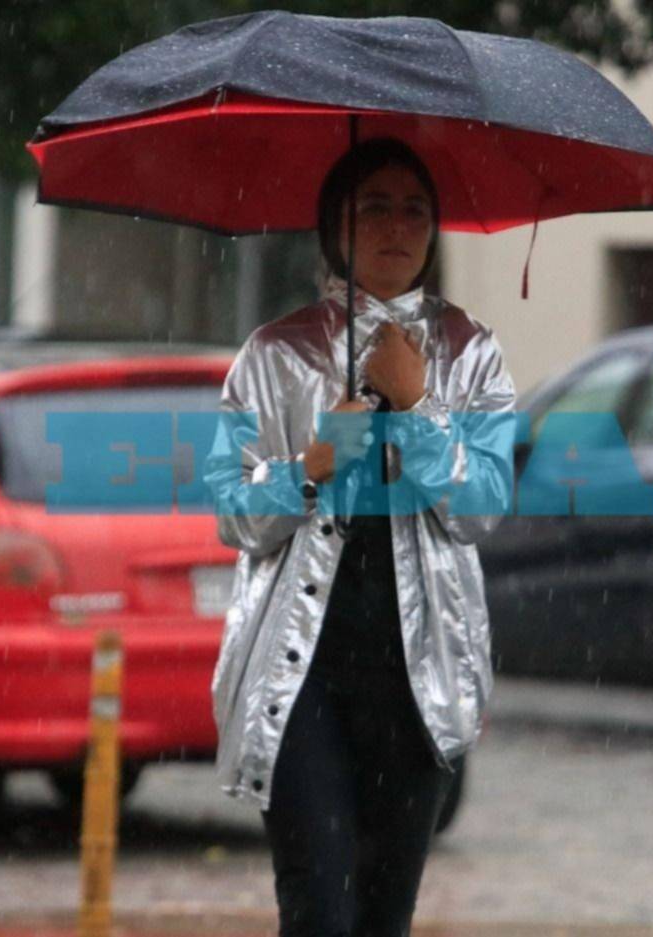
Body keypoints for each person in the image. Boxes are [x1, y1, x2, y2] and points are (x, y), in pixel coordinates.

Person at [206, 137, 517, 937]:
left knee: (385, 914)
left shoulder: (472, 353)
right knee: (318, 907)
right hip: (301, 673)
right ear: (333, 224)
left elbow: (481, 506)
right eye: (373, 205)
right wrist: (308, 466)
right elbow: (232, 512)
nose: (396, 225)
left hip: (418, 678)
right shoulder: (273, 353)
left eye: (415, 207)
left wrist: (415, 409)